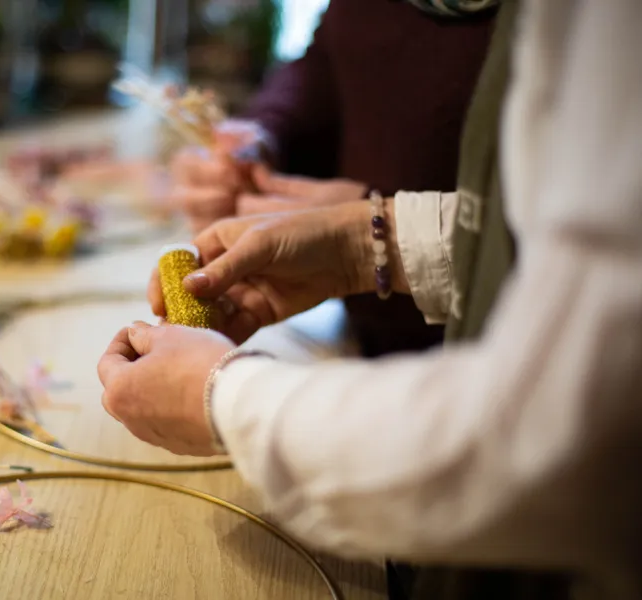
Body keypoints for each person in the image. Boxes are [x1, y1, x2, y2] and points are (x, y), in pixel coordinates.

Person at [98, 1, 642, 598]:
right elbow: (331, 59)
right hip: (382, 391)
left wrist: (225, 399)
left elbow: (570, 441)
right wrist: (364, 241)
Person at [170, 0, 500, 357]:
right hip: (366, 340)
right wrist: (261, 137)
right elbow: (326, 62)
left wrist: (371, 233)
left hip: (491, 356)